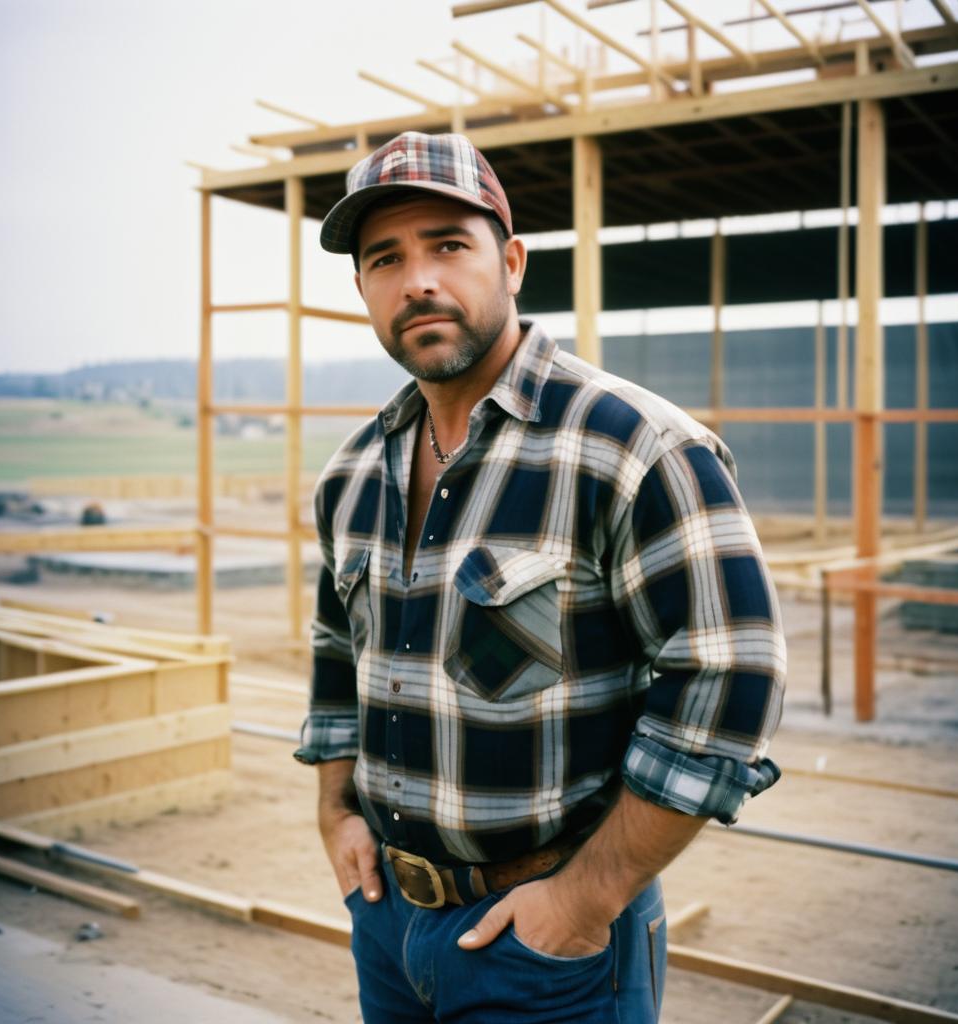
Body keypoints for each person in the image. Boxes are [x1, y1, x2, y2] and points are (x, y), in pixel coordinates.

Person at [295, 130, 786, 1023]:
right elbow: (337, 658)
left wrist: (582, 902)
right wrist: (335, 815)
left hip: (548, 949)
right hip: (386, 927)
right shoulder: (351, 474)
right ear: (362, 288)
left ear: (512, 261)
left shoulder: (631, 446)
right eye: (384, 258)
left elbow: (730, 680)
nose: (419, 282)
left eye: (449, 244)